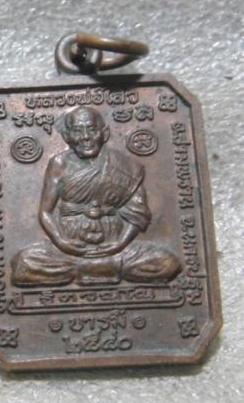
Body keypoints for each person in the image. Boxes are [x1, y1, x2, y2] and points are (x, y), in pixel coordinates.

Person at [12, 106, 180, 286]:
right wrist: (61, 242)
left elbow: (138, 214)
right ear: (67, 137)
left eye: (92, 130)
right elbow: (45, 212)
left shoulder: (127, 166)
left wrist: (120, 244)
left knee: (167, 263)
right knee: (24, 263)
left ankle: (86, 268)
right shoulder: (59, 164)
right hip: (69, 251)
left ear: (104, 134)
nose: (86, 137)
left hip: (116, 249)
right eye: (78, 131)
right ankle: (100, 268)